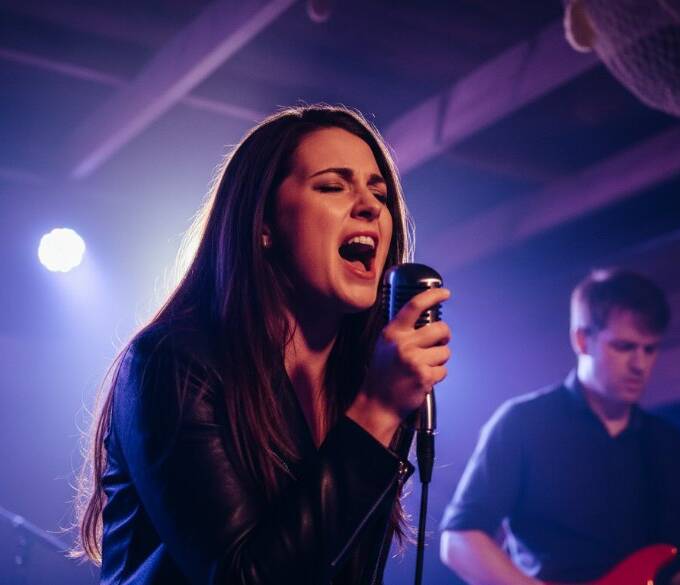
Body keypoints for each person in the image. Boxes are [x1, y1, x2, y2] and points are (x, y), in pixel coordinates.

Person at [72, 105, 452, 584]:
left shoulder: (360, 378)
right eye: (333, 186)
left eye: (378, 192)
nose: (371, 206)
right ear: (263, 225)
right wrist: (376, 411)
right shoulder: (172, 362)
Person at [439, 269, 680, 585]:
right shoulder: (522, 423)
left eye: (650, 350)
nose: (640, 364)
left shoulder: (669, 444)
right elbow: (459, 539)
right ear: (582, 340)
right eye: (624, 347)